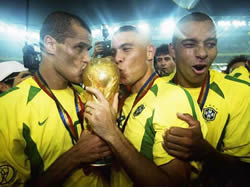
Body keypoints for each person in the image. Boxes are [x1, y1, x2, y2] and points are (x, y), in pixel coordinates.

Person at [84, 25, 207, 187]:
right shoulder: (125, 98)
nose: (117, 58)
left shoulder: (171, 99)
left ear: (149, 52)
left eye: (126, 49)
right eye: (114, 52)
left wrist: (112, 134)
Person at [0, 11, 112, 187]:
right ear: (50, 44)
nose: (87, 59)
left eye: (88, 50)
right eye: (79, 48)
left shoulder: (86, 94)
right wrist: (76, 155)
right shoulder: (8, 107)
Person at [163, 12, 250, 186]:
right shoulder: (155, 89)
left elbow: (245, 173)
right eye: (189, 44)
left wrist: (206, 153)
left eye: (210, 44)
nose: (202, 53)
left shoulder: (240, 92)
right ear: (173, 50)